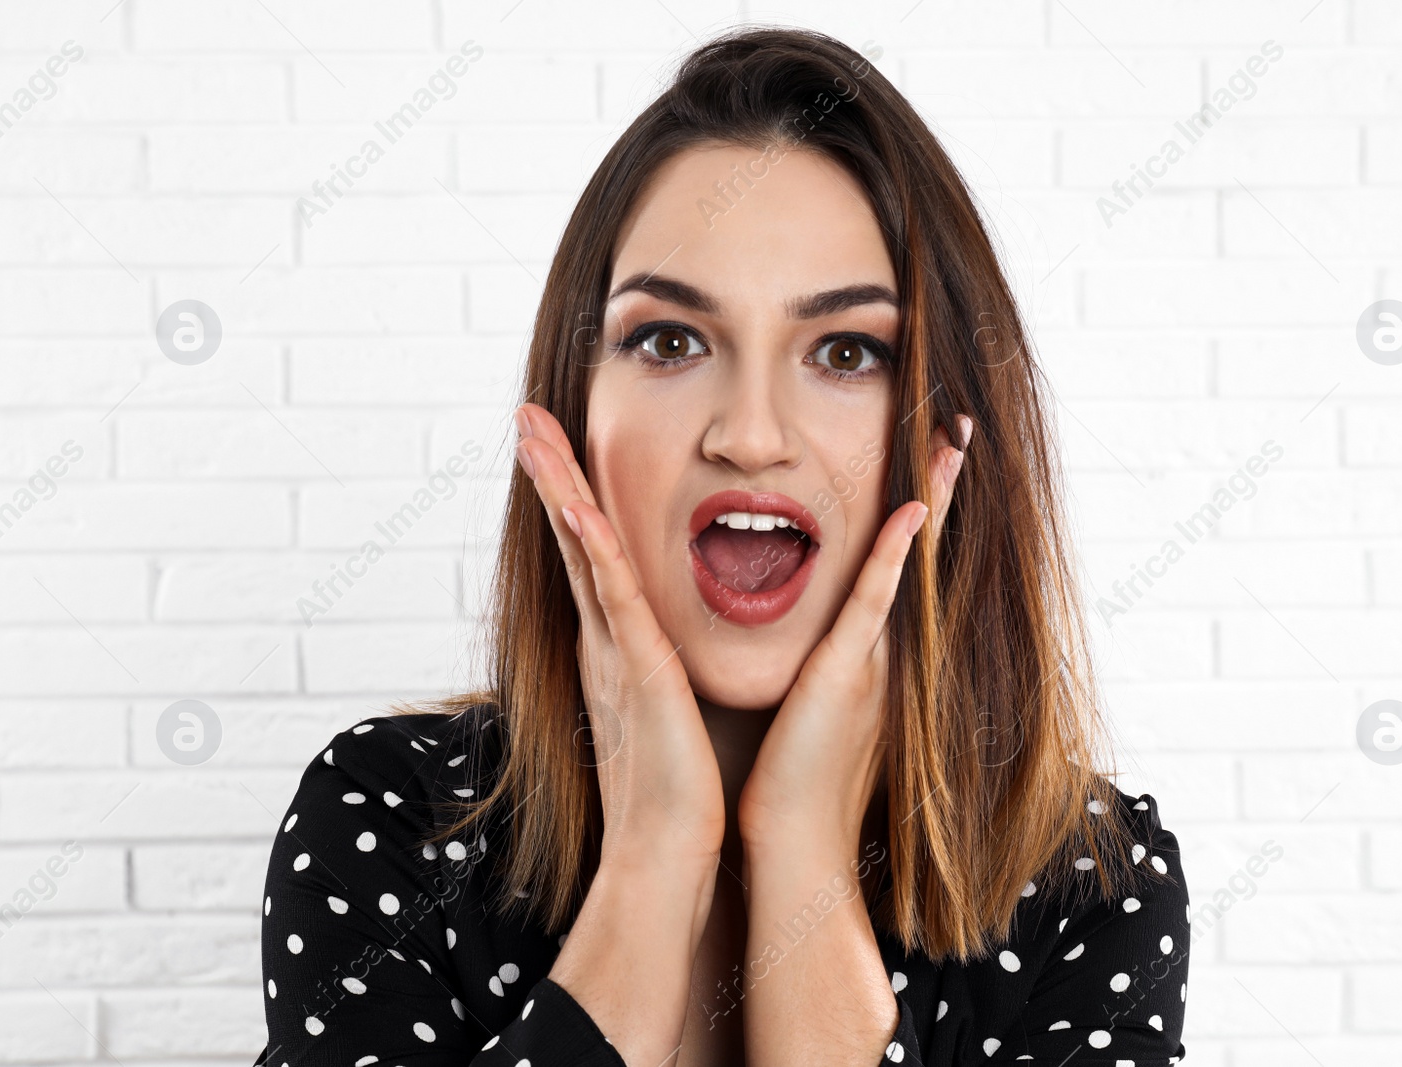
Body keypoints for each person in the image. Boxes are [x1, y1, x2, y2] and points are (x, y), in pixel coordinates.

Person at [256, 25, 1189, 1067]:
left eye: (846, 351)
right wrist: (657, 857)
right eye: (670, 340)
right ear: (575, 408)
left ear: (946, 429)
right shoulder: (387, 817)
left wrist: (799, 855)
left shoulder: (1092, 883)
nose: (748, 433)